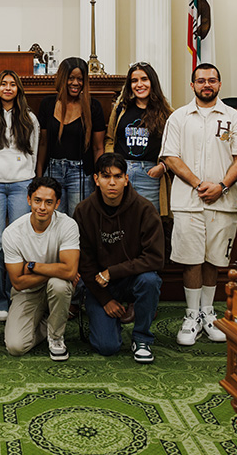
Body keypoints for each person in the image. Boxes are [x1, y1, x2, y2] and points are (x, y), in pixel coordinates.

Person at [161, 63, 237, 345]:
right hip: (188, 201)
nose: (206, 85)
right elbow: (170, 157)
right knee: (191, 257)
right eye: (201, 80)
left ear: (219, 84)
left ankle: (208, 312)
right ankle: (191, 316)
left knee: (214, 258)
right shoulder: (179, 117)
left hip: (223, 201)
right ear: (192, 85)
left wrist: (222, 186)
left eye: (212, 80)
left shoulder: (234, 118)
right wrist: (199, 183)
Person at [74, 153, 164, 363]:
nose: (112, 182)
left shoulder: (145, 209)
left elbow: (155, 259)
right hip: (99, 285)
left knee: (150, 280)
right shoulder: (83, 211)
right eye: (106, 177)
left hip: (133, 280)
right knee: (107, 347)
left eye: (117, 176)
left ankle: (142, 338)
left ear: (126, 178)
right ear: (96, 179)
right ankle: (102, 321)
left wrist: (112, 272)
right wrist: (105, 300)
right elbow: (84, 262)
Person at [0, 69, 40, 320]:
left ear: (19, 89)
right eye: (4, 84)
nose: (8, 88)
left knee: (21, 240)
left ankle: (19, 294)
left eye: (13, 84)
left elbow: (33, 152)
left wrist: (27, 174)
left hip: (22, 183)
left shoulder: (30, 118)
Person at [1, 177, 80, 361]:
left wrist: (33, 267)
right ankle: (52, 320)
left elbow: (68, 273)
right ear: (29, 200)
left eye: (49, 202)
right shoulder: (12, 233)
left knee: (59, 284)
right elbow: (18, 283)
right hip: (27, 292)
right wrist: (56, 270)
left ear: (57, 204)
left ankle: (56, 337)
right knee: (15, 346)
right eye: (37, 201)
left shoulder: (68, 225)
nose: (42, 207)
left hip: (57, 287)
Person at [36, 57, 106, 215]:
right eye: (71, 78)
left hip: (80, 173)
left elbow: (98, 147)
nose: (75, 83)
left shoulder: (93, 106)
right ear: (62, 78)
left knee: (78, 220)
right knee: (52, 219)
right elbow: (43, 144)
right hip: (53, 171)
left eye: (80, 79)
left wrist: (99, 178)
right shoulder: (48, 104)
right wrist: (39, 177)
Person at [105, 62, 173, 212]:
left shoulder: (167, 113)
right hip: (121, 173)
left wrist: (163, 167)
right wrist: (111, 164)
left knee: (148, 224)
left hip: (149, 175)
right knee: (119, 222)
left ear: (152, 82)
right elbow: (110, 139)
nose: (139, 84)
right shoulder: (120, 109)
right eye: (134, 81)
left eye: (144, 79)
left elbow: (175, 148)